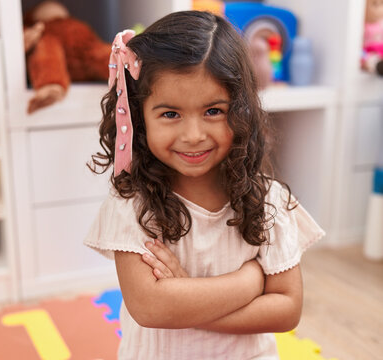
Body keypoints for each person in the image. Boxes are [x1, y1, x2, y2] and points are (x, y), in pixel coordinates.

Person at [84, 10, 324, 360]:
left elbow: (287, 310)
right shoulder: (133, 204)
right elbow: (152, 308)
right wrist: (249, 282)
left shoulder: (268, 199)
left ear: (241, 109)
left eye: (213, 110)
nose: (194, 136)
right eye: (170, 114)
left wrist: (186, 297)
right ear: (140, 117)